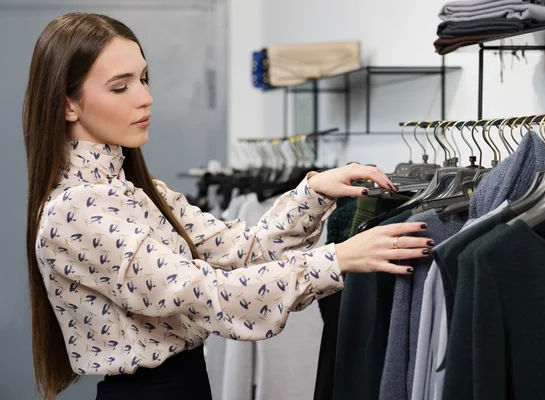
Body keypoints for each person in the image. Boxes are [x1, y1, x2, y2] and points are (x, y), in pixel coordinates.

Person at [22, 12, 434, 400]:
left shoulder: (138, 190)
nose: (145, 98)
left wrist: (315, 192)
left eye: (145, 79)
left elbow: (243, 249)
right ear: (67, 104)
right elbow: (205, 293)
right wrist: (336, 260)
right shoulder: (74, 212)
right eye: (121, 86)